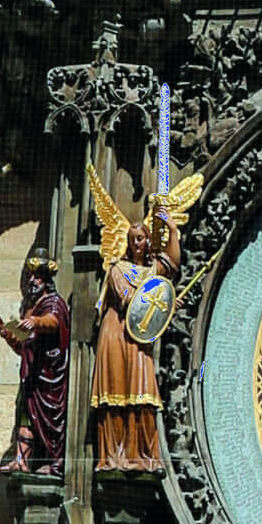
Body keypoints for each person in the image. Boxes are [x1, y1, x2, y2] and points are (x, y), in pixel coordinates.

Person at [93, 191, 181, 475]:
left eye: (141, 238)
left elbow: (172, 264)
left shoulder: (153, 269)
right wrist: (164, 301)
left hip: (139, 337)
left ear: (147, 240)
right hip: (117, 332)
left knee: (144, 392)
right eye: (133, 239)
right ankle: (114, 456)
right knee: (116, 392)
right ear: (127, 243)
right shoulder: (118, 270)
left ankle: (143, 455)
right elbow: (131, 301)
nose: (137, 243)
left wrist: (172, 229)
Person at [0, 253, 72, 478]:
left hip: (48, 377)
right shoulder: (30, 309)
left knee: (49, 422)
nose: (33, 281)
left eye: (38, 277)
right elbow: (22, 346)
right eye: (31, 276)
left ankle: (54, 462)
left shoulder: (53, 303)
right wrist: (3, 329)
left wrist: (35, 321)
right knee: (25, 417)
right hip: (31, 377)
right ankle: (21, 461)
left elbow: (52, 322)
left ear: (47, 280)